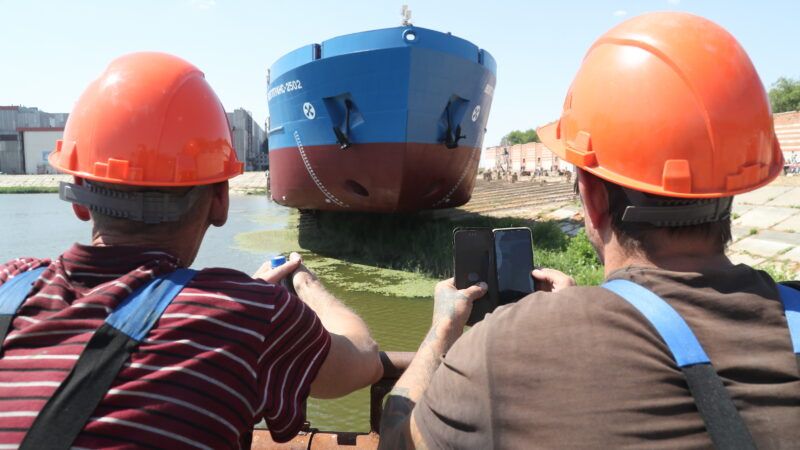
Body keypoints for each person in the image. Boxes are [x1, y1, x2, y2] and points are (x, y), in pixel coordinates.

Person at [379, 12, 798, 449]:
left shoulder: (509, 345)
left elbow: (397, 441)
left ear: (592, 197)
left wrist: (442, 329)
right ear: (736, 186)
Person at [0, 52, 382, 449]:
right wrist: (308, 288)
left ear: (79, 198)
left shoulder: (10, 282)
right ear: (221, 202)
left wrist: (220, 301)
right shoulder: (249, 316)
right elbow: (362, 361)